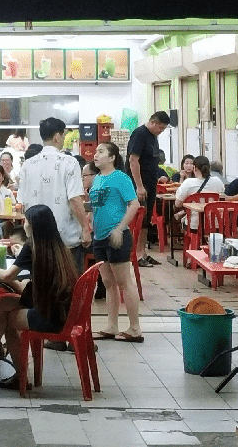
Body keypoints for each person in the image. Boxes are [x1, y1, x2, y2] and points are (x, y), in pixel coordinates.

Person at [0, 205, 79, 388]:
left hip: (49, 317)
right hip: (63, 311)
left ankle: (18, 375)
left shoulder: (32, 248)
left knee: (7, 317)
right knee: (4, 302)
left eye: (26, 221)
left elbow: (7, 276)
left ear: (32, 226)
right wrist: (20, 254)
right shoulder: (58, 245)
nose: (24, 224)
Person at [17, 119, 91, 291]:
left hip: (38, 238)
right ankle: (71, 319)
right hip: (65, 238)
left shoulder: (28, 165)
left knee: (43, 288)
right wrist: (85, 228)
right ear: (57, 136)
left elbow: (22, 204)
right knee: (71, 287)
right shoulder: (69, 163)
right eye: (64, 135)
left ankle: (43, 318)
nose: (64, 138)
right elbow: (74, 200)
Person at [89, 142, 143, 342]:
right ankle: (112, 326)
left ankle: (135, 328)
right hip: (99, 237)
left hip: (117, 235)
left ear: (112, 158)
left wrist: (120, 228)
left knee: (124, 282)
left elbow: (134, 204)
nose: (96, 155)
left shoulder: (120, 178)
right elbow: (97, 207)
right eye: (95, 152)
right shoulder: (96, 179)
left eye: (100, 152)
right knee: (108, 283)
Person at [125, 111, 170, 267]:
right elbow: (133, 161)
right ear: (153, 123)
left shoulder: (152, 137)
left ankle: (142, 252)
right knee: (139, 219)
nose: (161, 131)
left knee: (146, 220)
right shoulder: (140, 134)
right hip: (140, 186)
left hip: (150, 184)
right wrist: (139, 186)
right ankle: (135, 254)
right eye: (161, 128)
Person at [173, 156, 225, 231]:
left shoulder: (188, 182)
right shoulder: (218, 181)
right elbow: (223, 198)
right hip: (215, 223)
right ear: (209, 168)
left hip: (194, 224)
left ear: (194, 168)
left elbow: (177, 204)